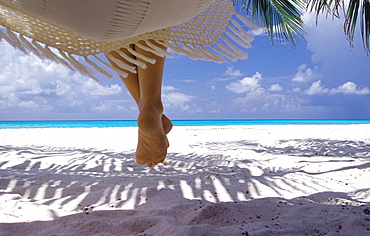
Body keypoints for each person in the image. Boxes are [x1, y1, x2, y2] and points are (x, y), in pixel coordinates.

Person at [0, 0, 254, 167]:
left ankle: (148, 106)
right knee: (149, 11)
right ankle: (150, 106)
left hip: (86, 14)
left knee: (105, 15)